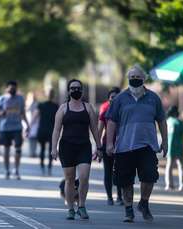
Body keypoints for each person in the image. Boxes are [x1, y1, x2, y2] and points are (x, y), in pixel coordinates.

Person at [106, 64, 168, 223]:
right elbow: (111, 121)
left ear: (144, 79)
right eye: (131, 77)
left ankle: (144, 202)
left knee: (149, 176)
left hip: (147, 146)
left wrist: (165, 142)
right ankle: (128, 210)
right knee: (125, 180)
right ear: (128, 79)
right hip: (124, 146)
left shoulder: (153, 98)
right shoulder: (120, 99)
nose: (134, 80)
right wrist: (109, 144)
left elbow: (161, 120)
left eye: (137, 77)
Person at [51, 79, 101, 220]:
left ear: (82, 90)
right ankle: (70, 209)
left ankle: (82, 206)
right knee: (70, 179)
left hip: (84, 146)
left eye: (78, 88)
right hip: (67, 147)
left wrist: (99, 146)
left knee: (84, 177)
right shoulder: (63, 108)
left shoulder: (88, 108)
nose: (75, 90)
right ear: (69, 91)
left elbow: (94, 129)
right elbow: (56, 130)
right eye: (72, 88)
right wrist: (54, 148)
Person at [0, 81, 30, 180]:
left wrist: (27, 125)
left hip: (17, 127)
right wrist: (2, 112)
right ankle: (7, 170)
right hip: (5, 128)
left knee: (18, 149)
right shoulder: (1, 99)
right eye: (10, 88)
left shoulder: (20, 99)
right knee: (6, 150)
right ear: (6, 89)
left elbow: (23, 113)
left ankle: (16, 169)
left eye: (14, 88)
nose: (12, 89)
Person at [98, 87, 123, 205]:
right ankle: (109, 197)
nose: (114, 99)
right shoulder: (105, 109)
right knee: (108, 171)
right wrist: (98, 147)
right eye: (112, 97)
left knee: (119, 171)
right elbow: (100, 128)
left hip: (122, 145)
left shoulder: (124, 109)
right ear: (108, 99)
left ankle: (120, 196)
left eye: (116, 97)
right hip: (106, 144)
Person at [165, 106, 183, 191]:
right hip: (179, 148)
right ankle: (182, 185)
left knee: (169, 167)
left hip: (170, 147)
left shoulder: (168, 122)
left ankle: (169, 185)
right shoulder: (177, 122)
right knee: (181, 167)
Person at [33, 89, 58, 175]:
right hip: (51, 130)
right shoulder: (56, 106)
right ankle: (49, 168)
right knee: (51, 150)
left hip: (42, 129)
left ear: (46, 95)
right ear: (53, 95)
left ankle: (43, 167)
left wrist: (29, 126)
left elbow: (35, 116)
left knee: (42, 149)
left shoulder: (41, 105)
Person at [26, 92, 39, 158]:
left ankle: (33, 152)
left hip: (34, 123)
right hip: (28, 122)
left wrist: (30, 124)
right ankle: (31, 152)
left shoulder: (36, 104)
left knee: (33, 139)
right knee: (30, 139)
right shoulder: (26, 103)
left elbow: (36, 114)